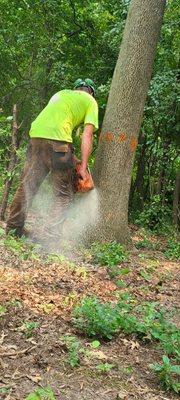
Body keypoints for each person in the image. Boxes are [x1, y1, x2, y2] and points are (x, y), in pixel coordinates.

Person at [6, 78, 99, 239]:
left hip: (36, 136)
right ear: (91, 92)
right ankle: (50, 237)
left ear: (76, 89)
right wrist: (83, 167)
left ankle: (14, 229)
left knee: (28, 186)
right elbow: (87, 135)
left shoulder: (61, 94)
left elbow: (50, 134)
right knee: (63, 194)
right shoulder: (90, 101)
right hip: (58, 141)